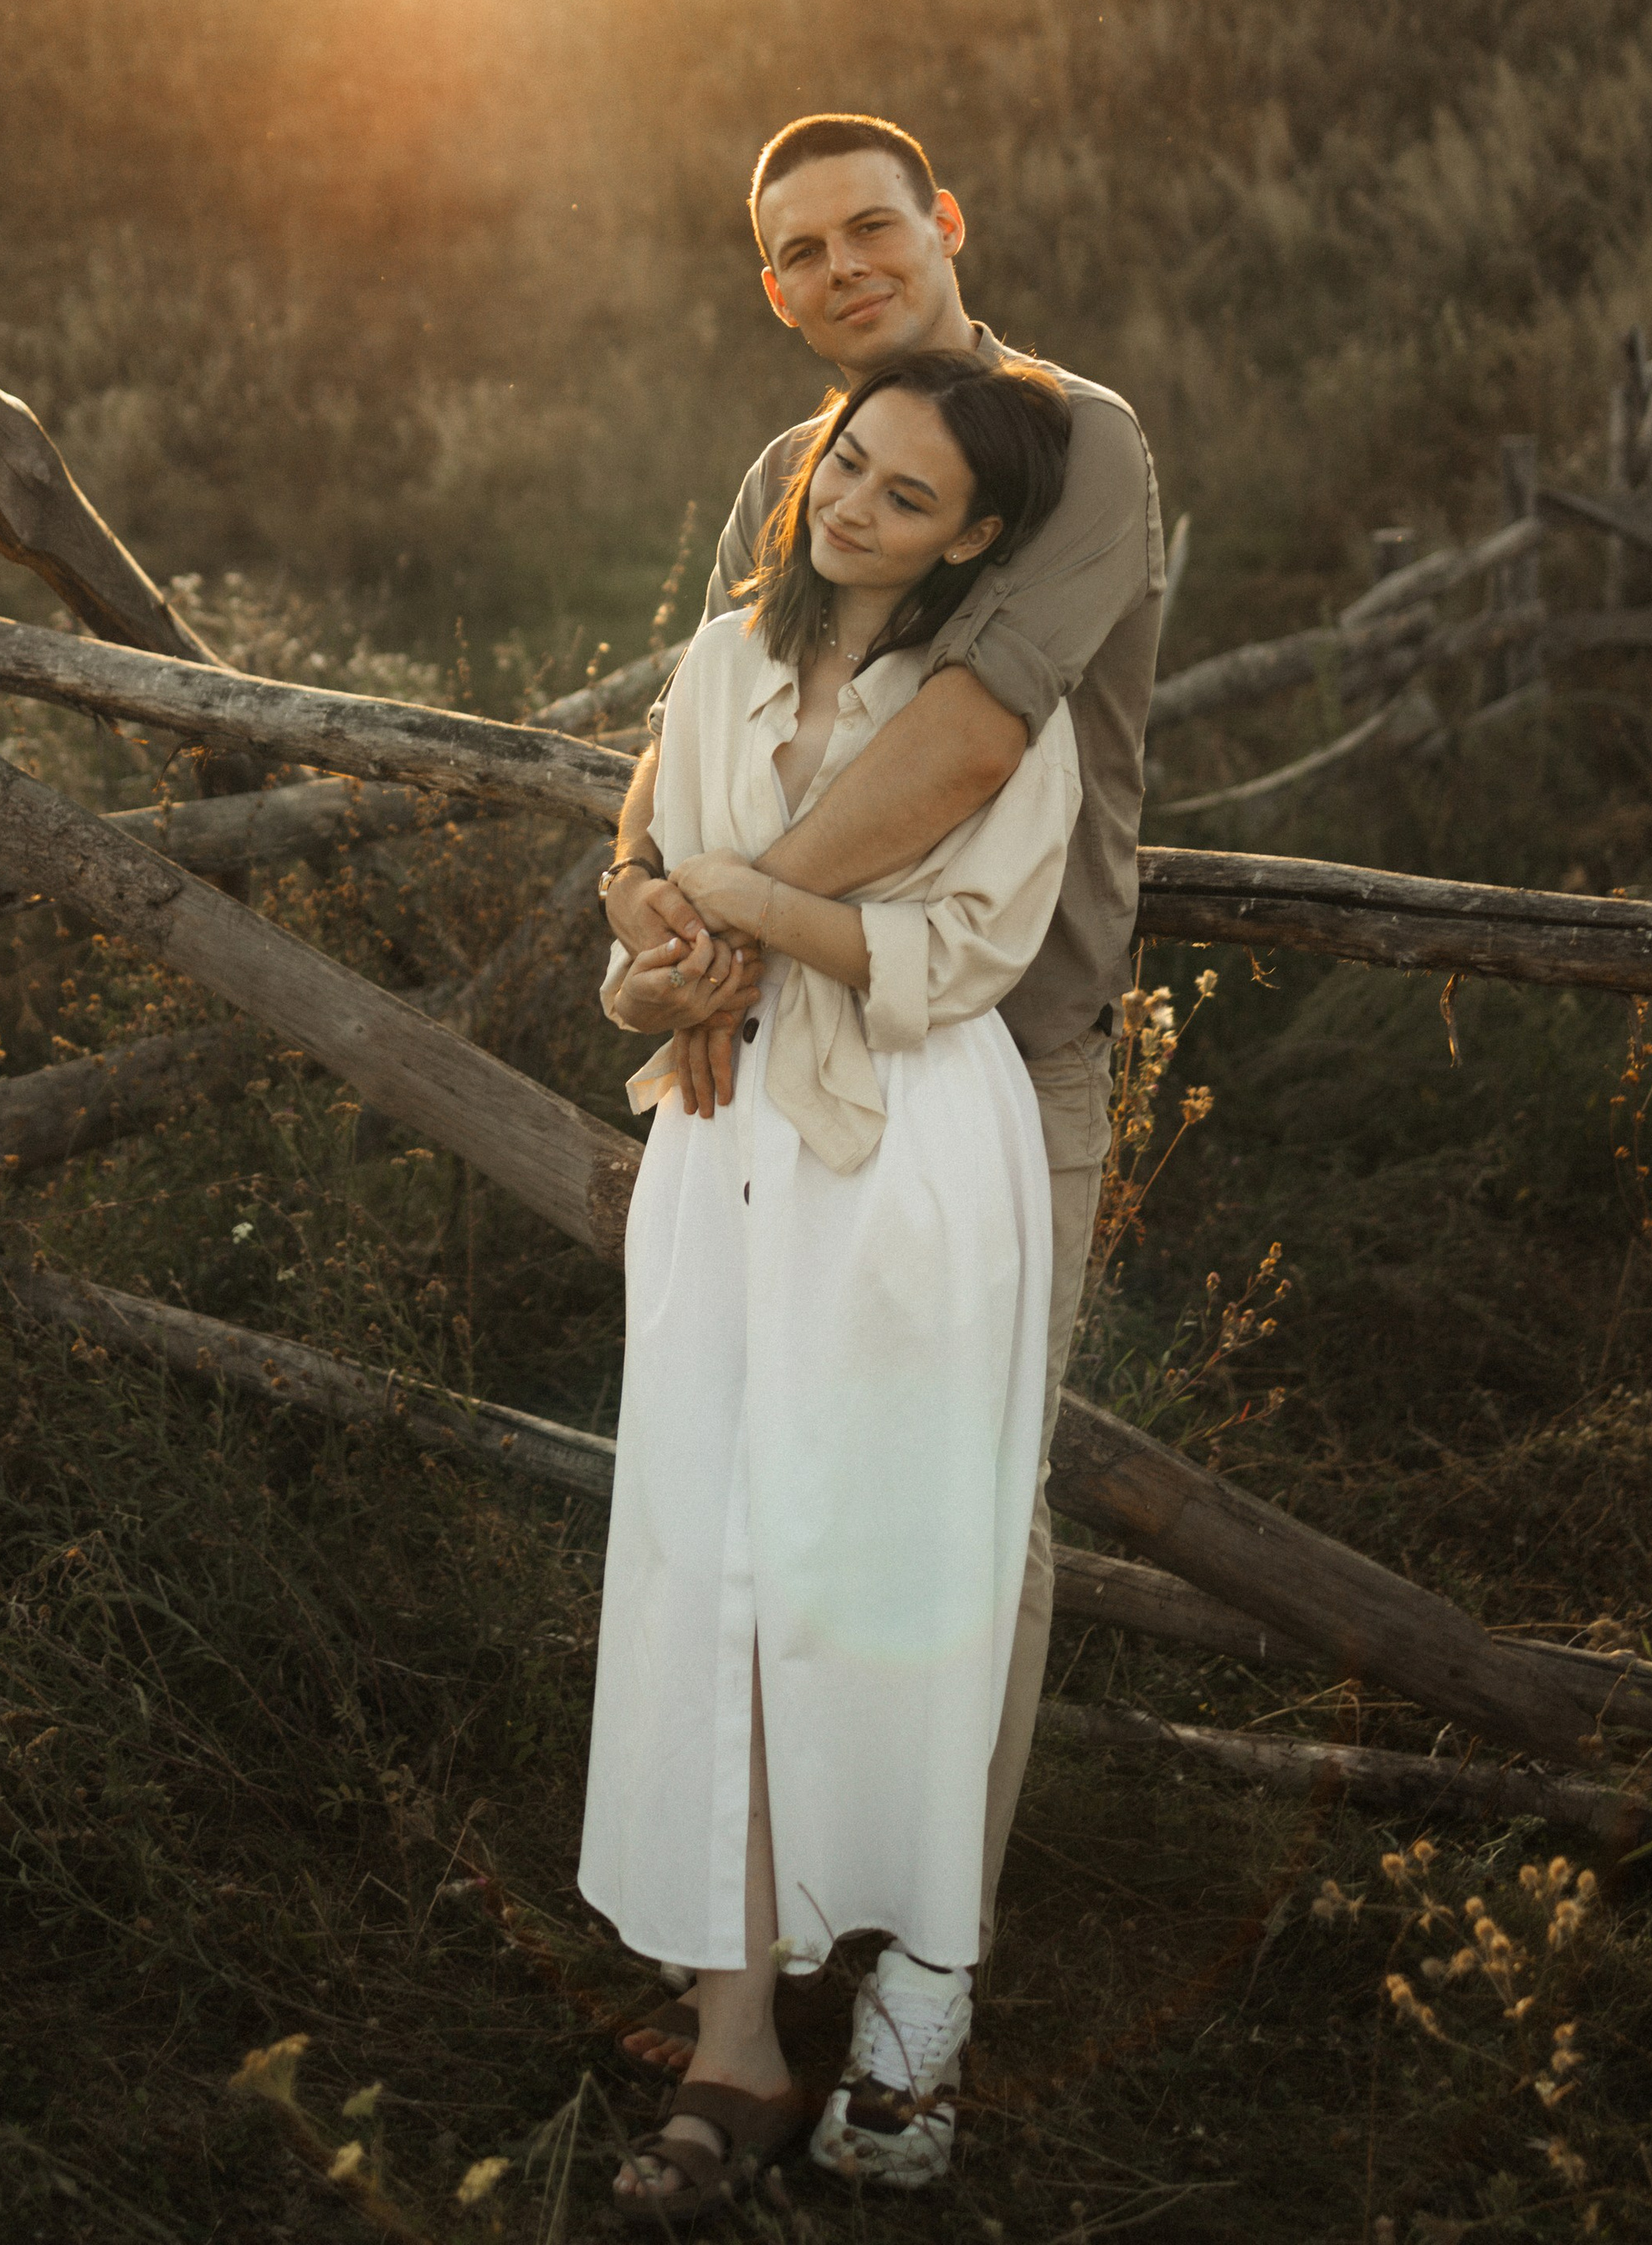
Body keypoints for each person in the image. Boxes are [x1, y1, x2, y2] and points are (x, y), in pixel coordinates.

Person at [600, 113, 1163, 2066]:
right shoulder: (788, 470)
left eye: (868, 227)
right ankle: (755, 1948)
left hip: (993, 1054)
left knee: (958, 1520)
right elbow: (684, 739)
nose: (840, 268)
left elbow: (966, 741)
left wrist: (734, 914)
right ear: (772, 296)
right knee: (756, 1493)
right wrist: (655, 909)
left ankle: (917, 1990)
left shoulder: (1068, 440)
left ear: (944, 221)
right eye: (795, 252)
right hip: (767, 1068)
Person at [582, 348, 1080, 2220]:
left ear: (974, 539)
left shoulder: (986, 710)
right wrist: (659, 964)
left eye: (902, 495)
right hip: (717, 1157)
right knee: (709, 1560)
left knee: (873, 1575)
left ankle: (902, 1995)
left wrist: (730, 892)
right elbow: (641, 947)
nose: (851, 505)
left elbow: (952, 954)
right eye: (845, 464)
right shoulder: (717, 660)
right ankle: (731, 2045)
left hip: (902, 1159)